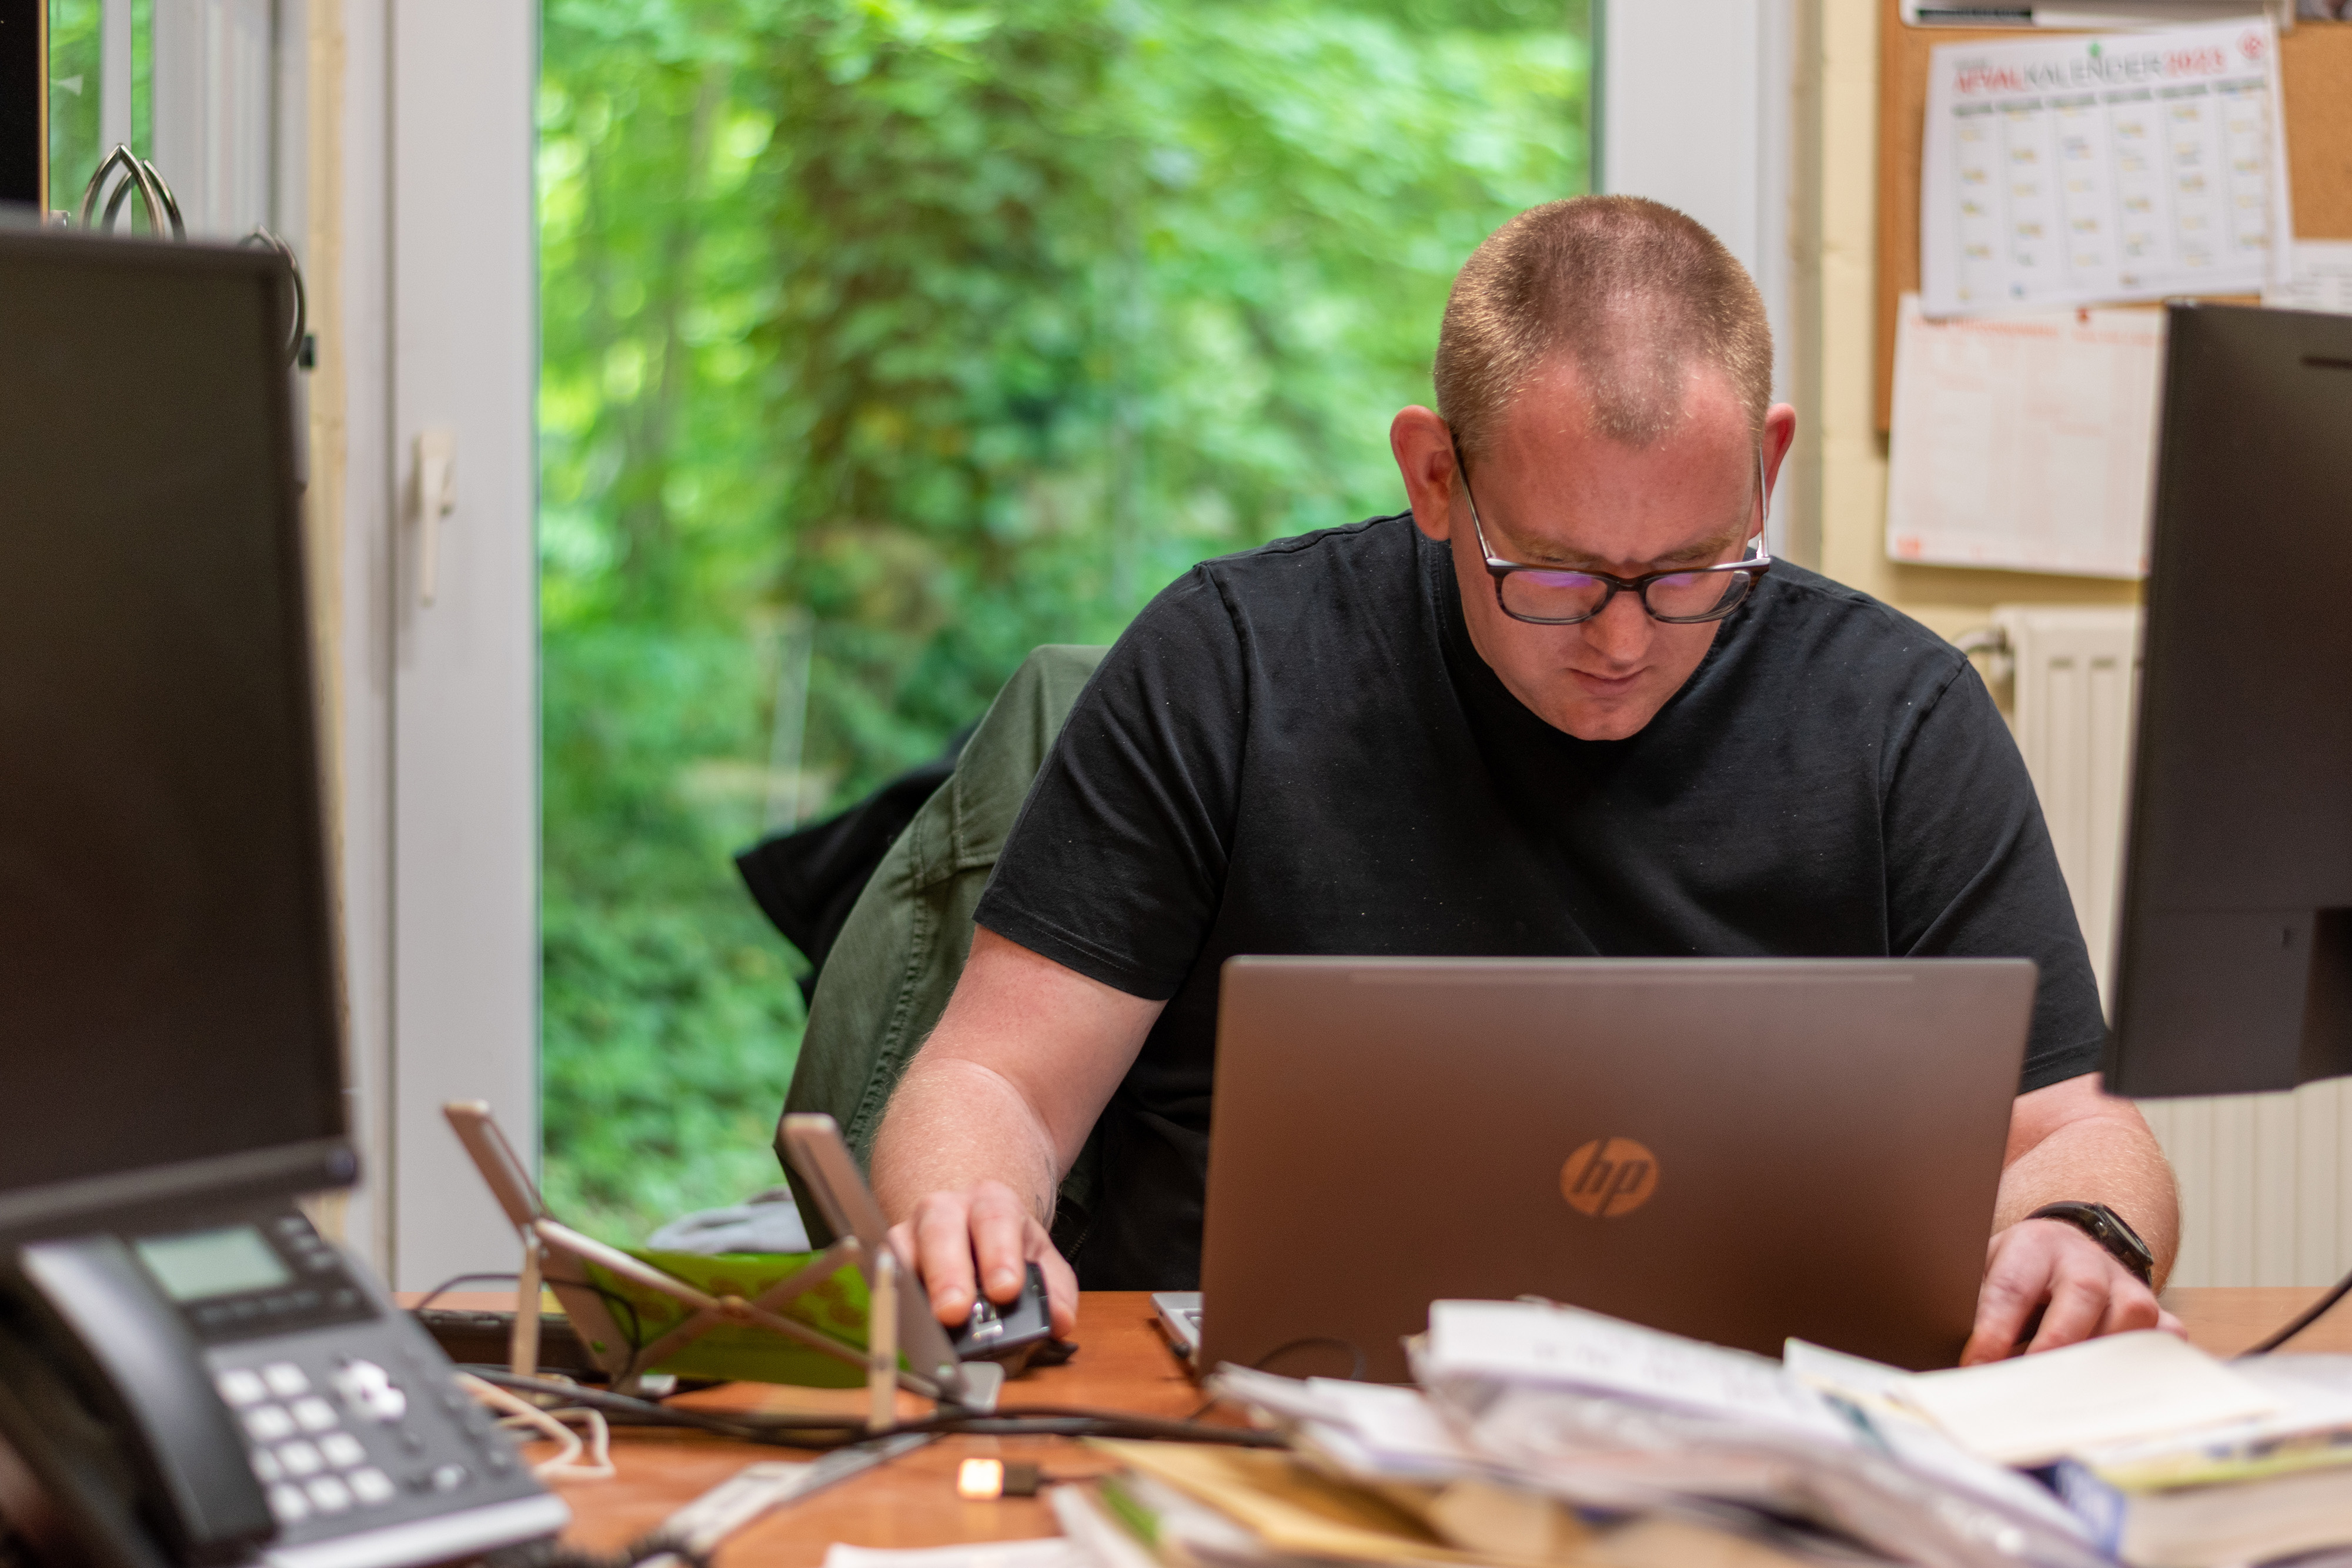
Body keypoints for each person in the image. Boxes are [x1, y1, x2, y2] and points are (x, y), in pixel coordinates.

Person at [871, 195, 2180, 1366]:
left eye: (1689, 573)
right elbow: (993, 1080)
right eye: (1551, 574)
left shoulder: (1898, 712)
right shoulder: (1228, 665)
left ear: (1764, 467)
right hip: (1257, 1415)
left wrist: (2076, 1230)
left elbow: (2071, 1129)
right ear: (1434, 475)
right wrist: (970, 1205)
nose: (1622, 639)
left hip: (1757, 1419)